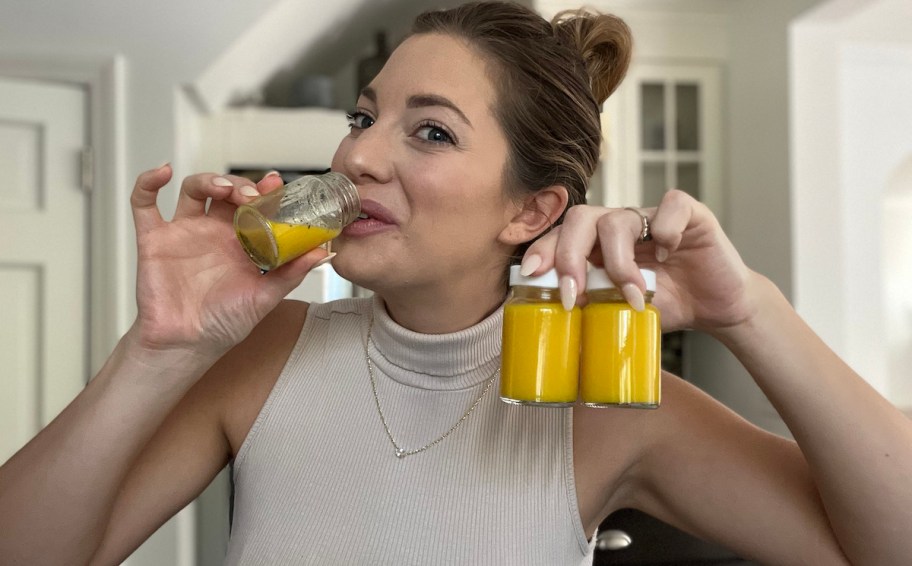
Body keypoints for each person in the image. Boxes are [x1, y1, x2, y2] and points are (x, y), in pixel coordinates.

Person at [1, 1, 911, 564]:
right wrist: (157, 350)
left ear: (529, 210)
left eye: (430, 131)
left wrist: (749, 310)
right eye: (363, 116)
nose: (358, 155)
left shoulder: (604, 398)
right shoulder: (265, 354)